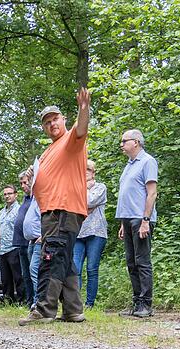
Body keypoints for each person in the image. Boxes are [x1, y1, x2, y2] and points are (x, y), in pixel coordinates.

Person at [19, 87, 90, 326]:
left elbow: (81, 129)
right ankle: (73, 310)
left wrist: (84, 108)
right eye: (47, 122)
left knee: (50, 257)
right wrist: (32, 177)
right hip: (52, 210)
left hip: (63, 209)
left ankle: (44, 309)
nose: (52, 124)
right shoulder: (48, 151)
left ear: (64, 119)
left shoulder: (71, 140)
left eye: (55, 119)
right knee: (64, 259)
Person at [115, 130, 158, 319]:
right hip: (128, 218)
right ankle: (136, 303)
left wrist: (145, 221)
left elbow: (152, 193)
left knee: (142, 261)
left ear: (137, 142)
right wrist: (123, 223)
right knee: (131, 263)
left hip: (141, 219)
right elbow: (128, 195)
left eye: (124, 141)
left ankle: (146, 304)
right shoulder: (129, 165)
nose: (121, 145)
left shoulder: (148, 161)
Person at [72, 159, 107, 308]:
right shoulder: (75, 187)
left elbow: (89, 202)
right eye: (82, 169)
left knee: (92, 269)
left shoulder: (101, 187)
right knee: (76, 268)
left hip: (96, 232)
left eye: (88, 169)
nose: (84, 172)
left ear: (94, 172)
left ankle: (90, 303)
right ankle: (76, 303)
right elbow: (72, 204)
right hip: (78, 232)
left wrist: (84, 193)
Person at [0, 184, 24, 304]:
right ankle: (8, 301)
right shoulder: (2, 211)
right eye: (5, 194)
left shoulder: (20, 209)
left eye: (9, 193)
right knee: (5, 278)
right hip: (2, 249)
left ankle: (21, 300)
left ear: (15, 194)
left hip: (15, 247)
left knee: (18, 276)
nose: (7, 196)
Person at [13, 172, 35, 308]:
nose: (22, 186)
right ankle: (29, 300)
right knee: (25, 274)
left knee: (33, 272)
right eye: (20, 183)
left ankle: (36, 301)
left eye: (25, 182)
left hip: (30, 241)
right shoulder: (26, 199)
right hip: (21, 242)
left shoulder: (35, 198)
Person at [22, 193, 42, 308]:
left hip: (40, 240)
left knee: (34, 269)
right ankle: (35, 300)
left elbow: (48, 217)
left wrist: (44, 234)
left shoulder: (41, 197)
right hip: (31, 241)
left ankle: (39, 301)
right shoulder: (32, 199)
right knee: (31, 272)